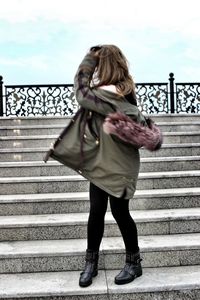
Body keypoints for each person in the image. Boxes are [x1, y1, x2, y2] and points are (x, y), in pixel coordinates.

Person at [73, 45, 152, 288]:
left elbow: (80, 92)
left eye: (99, 63)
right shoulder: (115, 93)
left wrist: (88, 58)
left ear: (103, 66)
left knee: (119, 212)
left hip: (121, 166)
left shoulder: (112, 95)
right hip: (103, 164)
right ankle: (91, 262)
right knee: (96, 211)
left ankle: (134, 262)